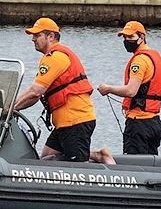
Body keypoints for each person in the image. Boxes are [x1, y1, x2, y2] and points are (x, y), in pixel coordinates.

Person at [12, 17, 114, 164]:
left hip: (75, 121)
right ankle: (97, 155)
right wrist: (13, 106)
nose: (33, 39)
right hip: (64, 123)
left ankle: (101, 165)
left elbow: (36, 91)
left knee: (79, 169)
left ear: (51, 37)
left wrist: (12, 108)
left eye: (37, 35)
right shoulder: (51, 57)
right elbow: (33, 90)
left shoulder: (56, 57)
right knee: (47, 158)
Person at [97, 21, 161, 156]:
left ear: (141, 37)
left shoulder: (140, 60)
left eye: (131, 37)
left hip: (139, 124)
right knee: (150, 165)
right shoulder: (155, 56)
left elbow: (131, 91)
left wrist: (108, 89)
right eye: (125, 38)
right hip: (154, 123)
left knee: (134, 165)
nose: (127, 40)